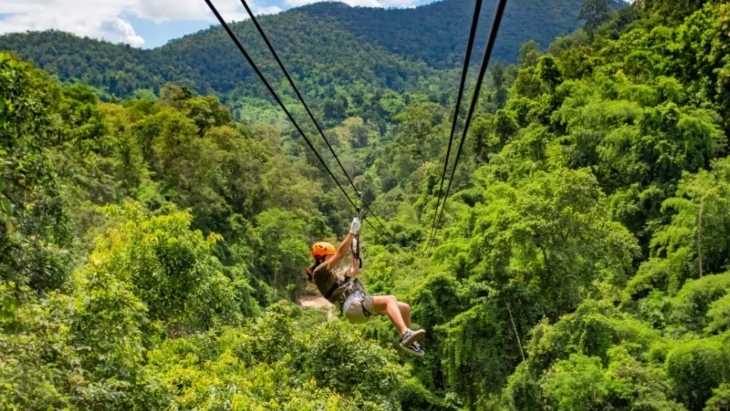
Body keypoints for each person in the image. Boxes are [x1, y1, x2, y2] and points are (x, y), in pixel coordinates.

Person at [306, 216, 425, 356]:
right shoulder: (319, 273)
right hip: (354, 306)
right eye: (329, 256)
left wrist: (352, 271)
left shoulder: (332, 276)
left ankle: (409, 340)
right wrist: (351, 232)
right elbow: (341, 253)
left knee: (405, 308)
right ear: (321, 258)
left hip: (357, 307)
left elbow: (347, 275)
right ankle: (405, 334)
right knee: (390, 299)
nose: (332, 259)